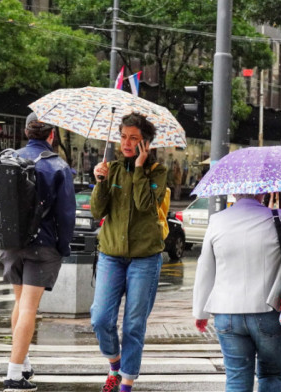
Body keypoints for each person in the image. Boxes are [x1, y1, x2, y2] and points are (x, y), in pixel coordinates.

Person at [193, 193, 281, 392]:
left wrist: (200, 313)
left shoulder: (217, 220)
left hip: (226, 313)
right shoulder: (279, 218)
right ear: (262, 193)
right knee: (271, 374)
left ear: (235, 192)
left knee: (237, 378)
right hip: (268, 311)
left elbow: (205, 269)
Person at [90, 113, 167, 392]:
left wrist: (138, 169)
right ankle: (114, 363)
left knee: (134, 324)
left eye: (133, 138)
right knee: (100, 318)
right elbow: (98, 212)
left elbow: (146, 205)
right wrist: (100, 181)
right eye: (123, 136)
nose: (126, 142)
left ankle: (126, 384)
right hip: (111, 253)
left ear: (145, 142)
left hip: (145, 257)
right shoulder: (110, 168)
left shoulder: (157, 171)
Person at [1, 113, 76, 392]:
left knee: (20, 304)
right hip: (41, 244)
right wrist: (64, 247)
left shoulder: (7, 158)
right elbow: (66, 215)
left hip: (10, 243)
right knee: (30, 308)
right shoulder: (57, 166)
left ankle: (23, 362)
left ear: (25, 131)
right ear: (51, 135)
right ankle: (13, 375)